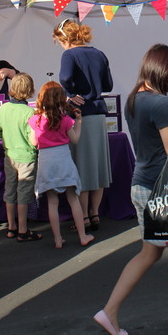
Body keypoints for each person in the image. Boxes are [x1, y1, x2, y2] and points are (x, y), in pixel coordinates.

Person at [94, 44, 168, 335]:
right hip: (164, 189)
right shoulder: (161, 104)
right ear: (165, 70)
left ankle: (109, 311)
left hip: (142, 184)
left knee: (149, 253)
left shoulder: (134, 99)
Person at [53, 19, 113, 231]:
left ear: (65, 39)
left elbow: (65, 78)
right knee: (98, 167)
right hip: (99, 115)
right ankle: (94, 213)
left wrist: (70, 94)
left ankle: (84, 217)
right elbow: (108, 85)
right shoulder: (99, 54)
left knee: (83, 167)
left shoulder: (69, 55)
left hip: (81, 114)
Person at [28, 81, 95, 249]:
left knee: (52, 202)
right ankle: (83, 236)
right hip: (63, 159)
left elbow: (33, 142)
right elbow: (75, 139)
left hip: (46, 161)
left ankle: (58, 239)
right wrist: (78, 121)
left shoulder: (36, 120)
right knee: (73, 199)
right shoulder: (65, 120)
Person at [0, 73, 42, 242]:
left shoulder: (4, 108)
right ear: (30, 90)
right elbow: (33, 140)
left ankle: (11, 227)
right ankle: (23, 229)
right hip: (26, 157)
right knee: (24, 193)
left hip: (9, 155)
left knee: (10, 190)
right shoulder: (30, 112)